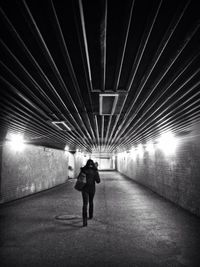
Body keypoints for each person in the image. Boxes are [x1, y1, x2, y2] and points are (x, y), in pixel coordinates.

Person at [80, 159, 100, 227]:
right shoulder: (95, 171)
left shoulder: (83, 170)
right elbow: (98, 181)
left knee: (85, 204)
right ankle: (90, 216)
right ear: (93, 164)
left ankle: (84, 221)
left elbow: (79, 178)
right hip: (92, 189)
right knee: (91, 202)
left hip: (84, 189)